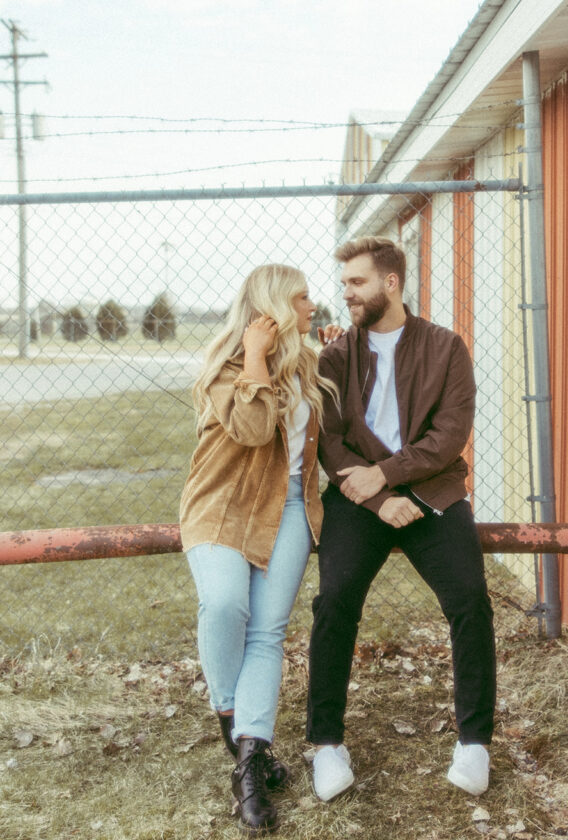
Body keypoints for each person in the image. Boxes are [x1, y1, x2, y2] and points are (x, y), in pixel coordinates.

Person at [307, 236, 496, 802]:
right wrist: (374, 495)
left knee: (469, 600)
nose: (346, 294)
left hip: (431, 492)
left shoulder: (444, 348)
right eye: (343, 284)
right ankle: (326, 743)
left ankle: (474, 742)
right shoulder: (335, 356)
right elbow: (330, 441)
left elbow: (449, 435)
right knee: (334, 600)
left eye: (356, 283)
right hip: (360, 499)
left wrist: (390, 476)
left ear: (391, 283)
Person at [179, 264, 339, 835]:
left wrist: (337, 356)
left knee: (268, 630)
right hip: (222, 506)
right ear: (272, 308)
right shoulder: (227, 368)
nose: (312, 305)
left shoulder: (311, 367)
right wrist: (254, 357)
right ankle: (236, 724)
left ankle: (248, 762)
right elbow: (250, 429)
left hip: (292, 506)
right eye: (301, 298)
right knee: (226, 606)